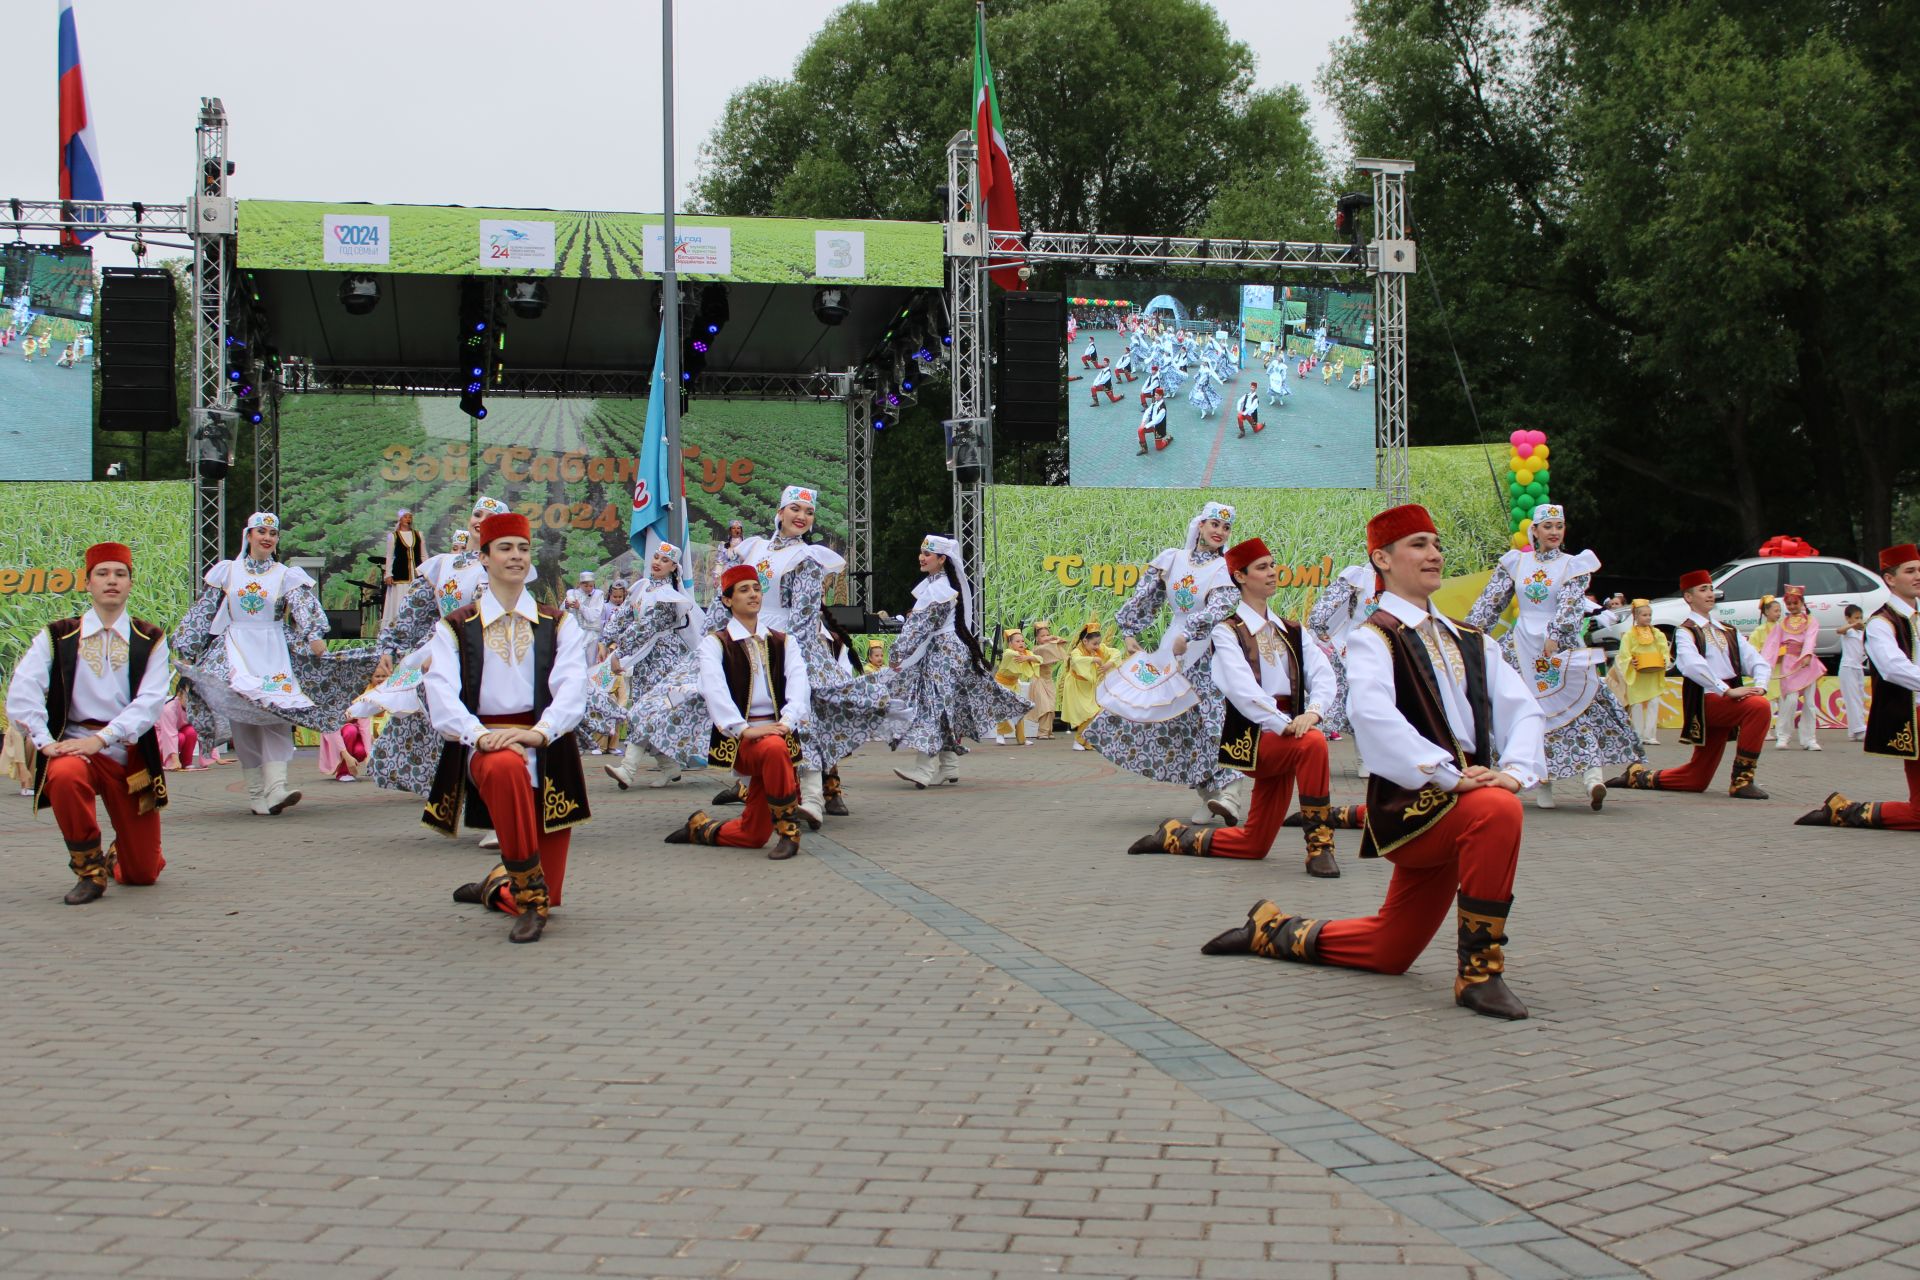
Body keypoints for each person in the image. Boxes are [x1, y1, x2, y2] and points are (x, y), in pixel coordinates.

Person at [1199, 503, 1545, 1021]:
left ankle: (1272, 929)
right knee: (1498, 812)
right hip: (1416, 801)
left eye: (1436, 543)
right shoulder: (1373, 637)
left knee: (1389, 950)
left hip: (1462, 793)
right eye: (1419, 544)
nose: (1435, 553)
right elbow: (1374, 718)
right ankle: (1479, 973)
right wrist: (1454, 776)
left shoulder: (1472, 639)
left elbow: (1524, 709)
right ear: (1381, 559)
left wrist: (1513, 770)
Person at [1125, 536, 1341, 874]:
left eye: (1273, 565)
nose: (1273, 572)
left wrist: (1313, 712)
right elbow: (1240, 689)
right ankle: (1320, 846)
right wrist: (1283, 722)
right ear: (1240, 576)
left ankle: (1174, 837)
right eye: (1263, 567)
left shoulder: (1292, 630)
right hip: (1252, 737)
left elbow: (1324, 675)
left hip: (1289, 733)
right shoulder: (1227, 631)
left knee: (1253, 845)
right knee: (1312, 744)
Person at [425, 512, 590, 943]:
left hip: (548, 748)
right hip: (488, 743)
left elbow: (573, 687)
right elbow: (441, 695)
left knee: (553, 894)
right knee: (503, 767)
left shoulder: (559, 623)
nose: (516, 556)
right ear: (484, 557)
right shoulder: (456, 627)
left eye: (522, 548)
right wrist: (480, 736)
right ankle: (527, 899)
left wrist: (539, 732)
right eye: (505, 548)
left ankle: (499, 885)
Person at [171, 512, 376, 816]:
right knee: (245, 720)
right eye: (261, 531)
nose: (267, 537)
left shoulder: (284, 574)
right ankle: (257, 793)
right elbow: (203, 611)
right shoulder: (227, 572)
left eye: (272, 533)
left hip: (274, 648)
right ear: (249, 535)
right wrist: (187, 647)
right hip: (237, 647)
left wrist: (314, 635)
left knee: (279, 714)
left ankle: (277, 787)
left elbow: (304, 605)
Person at [6, 542, 172, 905]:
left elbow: (150, 703)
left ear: (130, 583)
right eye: (102, 573)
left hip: (128, 755)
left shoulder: (151, 639)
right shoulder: (58, 635)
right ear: (87, 582)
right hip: (74, 745)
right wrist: (45, 741)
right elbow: (23, 690)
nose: (111, 581)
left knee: (143, 874)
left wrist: (102, 740)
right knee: (63, 774)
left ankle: (120, 856)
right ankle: (89, 870)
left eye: (120, 574)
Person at [360, 495, 538, 799]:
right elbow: (412, 614)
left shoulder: (508, 568)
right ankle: (472, 802)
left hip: (493, 657)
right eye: (477, 514)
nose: (481, 520)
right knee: (450, 730)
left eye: (492, 518)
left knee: (491, 730)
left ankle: (499, 810)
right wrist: (390, 650)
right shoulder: (443, 565)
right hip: (445, 652)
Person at [1466, 504, 1642, 810]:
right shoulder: (1515, 563)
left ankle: (1593, 778)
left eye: (1559, 526)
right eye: (1547, 526)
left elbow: (1570, 604)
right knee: (1532, 714)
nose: (1554, 532)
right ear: (1534, 530)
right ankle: (1542, 785)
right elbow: (1489, 603)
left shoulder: (1574, 565)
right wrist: (1469, 634)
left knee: (1582, 708)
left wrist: (1556, 635)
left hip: (1559, 647)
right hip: (1521, 646)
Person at [1084, 502, 1249, 827]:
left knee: (1217, 720)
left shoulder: (1224, 569)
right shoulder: (1171, 559)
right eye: (1214, 524)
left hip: (1213, 649)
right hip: (1173, 650)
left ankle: (1230, 793)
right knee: (1183, 724)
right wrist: (1130, 630)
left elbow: (1221, 606)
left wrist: (1191, 631)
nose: (1219, 531)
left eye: (1226, 528)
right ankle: (1207, 793)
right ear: (1200, 525)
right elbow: (1146, 596)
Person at [661, 563, 809, 859]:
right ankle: (789, 832)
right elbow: (714, 691)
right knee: (774, 750)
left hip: (780, 733)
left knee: (752, 835)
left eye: (756, 588)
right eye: (744, 590)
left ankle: (700, 828)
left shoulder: (784, 641)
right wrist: (744, 729)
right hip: (741, 737)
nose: (753, 595)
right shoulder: (715, 644)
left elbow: (799, 683)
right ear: (727, 600)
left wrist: (788, 721)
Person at [1608, 570, 1772, 799]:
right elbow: (1692, 666)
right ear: (1688, 597)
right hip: (1707, 700)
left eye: (1711, 589)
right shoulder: (1686, 631)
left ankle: (1638, 777)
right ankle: (1742, 780)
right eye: (1703, 590)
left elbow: (1758, 661)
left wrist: (1761, 685)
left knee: (1697, 779)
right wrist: (1726, 689)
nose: (1710, 594)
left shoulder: (1729, 631)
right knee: (1759, 707)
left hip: (1728, 697)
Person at [885, 535, 1028, 787]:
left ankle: (924, 769)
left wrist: (897, 653)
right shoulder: (942, 585)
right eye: (921, 552)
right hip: (946, 651)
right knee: (942, 707)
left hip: (943, 652)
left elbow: (918, 626)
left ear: (942, 559)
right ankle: (949, 766)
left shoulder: (940, 589)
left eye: (928, 554)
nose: (922, 557)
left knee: (933, 708)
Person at [1798, 546, 1920, 830]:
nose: (1918, 577)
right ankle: (1845, 811)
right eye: (1910, 571)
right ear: (1889, 579)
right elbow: (1892, 668)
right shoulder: (1880, 623)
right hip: (1911, 717)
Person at [600, 545, 707, 789]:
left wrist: (620, 652)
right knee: (645, 710)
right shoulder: (641, 588)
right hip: (645, 659)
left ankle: (628, 769)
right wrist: (605, 639)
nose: (658, 562)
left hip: (665, 659)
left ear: (674, 567)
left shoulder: (670, 598)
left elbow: (645, 627)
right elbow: (624, 615)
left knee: (645, 710)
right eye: (657, 557)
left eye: (665, 560)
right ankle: (670, 767)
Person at [1763, 584, 1825, 750]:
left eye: (1795, 603)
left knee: (1810, 702)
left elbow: (1810, 640)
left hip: (1806, 664)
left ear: (1802, 603)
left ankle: (1809, 739)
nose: (1792, 606)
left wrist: (1806, 655)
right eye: (1789, 603)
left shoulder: (1811, 621)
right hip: (1790, 664)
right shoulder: (1782, 623)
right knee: (1789, 701)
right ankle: (1783, 736)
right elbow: (1772, 644)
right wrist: (1765, 665)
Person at [1610, 600, 1671, 746]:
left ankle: (1650, 735)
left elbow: (1665, 651)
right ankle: (1637, 734)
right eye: (1644, 615)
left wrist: (1664, 660)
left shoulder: (1657, 634)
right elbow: (1624, 654)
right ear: (1636, 616)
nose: (1648, 618)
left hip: (1653, 674)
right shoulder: (1629, 635)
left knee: (1654, 702)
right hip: (1637, 675)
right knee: (1636, 704)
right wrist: (1631, 661)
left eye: (1649, 615)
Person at [1060, 623, 1119, 750]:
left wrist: (1109, 663)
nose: (1097, 646)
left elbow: (1116, 653)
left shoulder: (1098, 649)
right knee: (1091, 713)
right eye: (1095, 644)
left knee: (1092, 713)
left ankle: (1085, 741)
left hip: (1088, 687)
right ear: (1085, 641)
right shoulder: (1077, 652)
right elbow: (1075, 661)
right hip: (1076, 686)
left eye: (1098, 643)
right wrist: (1092, 660)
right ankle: (1078, 740)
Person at [994, 629, 1043, 745]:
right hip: (1001, 685)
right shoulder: (1008, 653)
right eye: (1017, 641)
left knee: (1020, 711)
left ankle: (1022, 739)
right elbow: (1012, 654)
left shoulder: (1026, 654)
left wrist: (1028, 657)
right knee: (1002, 710)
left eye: (1022, 641)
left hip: (1014, 685)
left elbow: (1040, 659)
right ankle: (1000, 735)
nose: (1021, 643)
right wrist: (1026, 656)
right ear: (1010, 644)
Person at [381, 509, 422, 630]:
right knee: (400, 602)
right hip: (400, 575)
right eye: (405, 517)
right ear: (400, 519)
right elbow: (390, 556)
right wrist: (388, 574)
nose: (408, 519)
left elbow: (423, 555)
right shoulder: (393, 536)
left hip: (415, 576)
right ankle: (397, 628)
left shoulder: (418, 535)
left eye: (410, 517)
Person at [1026, 621, 1066, 739]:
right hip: (1038, 680)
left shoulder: (1049, 647)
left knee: (1051, 708)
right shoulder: (1038, 649)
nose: (1045, 638)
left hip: (1048, 681)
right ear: (1037, 638)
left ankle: (1048, 731)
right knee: (1045, 706)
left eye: (1047, 635)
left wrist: (1053, 638)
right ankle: (1042, 732)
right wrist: (1052, 640)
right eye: (1042, 636)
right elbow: (1048, 648)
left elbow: (1063, 642)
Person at [1836, 604, 1869, 742]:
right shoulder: (1848, 631)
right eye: (1856, 618)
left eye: (1860, 617)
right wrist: (1852, 625)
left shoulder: (1862, 633)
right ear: (1848, 618)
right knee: (1852, 699)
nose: (1859, 620)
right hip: (1847, 667)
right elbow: (1839, 630)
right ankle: (1859, 729)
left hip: (1858, 668)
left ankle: (1853, 731)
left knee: (1859, 698)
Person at [565, 571, 609, 647]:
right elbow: (563, 612)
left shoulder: (598, 595)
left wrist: (580, 607)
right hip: (575, 631)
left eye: (591, 586)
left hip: (591, 632)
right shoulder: (572, 594)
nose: (589, 588)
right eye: (586, 586)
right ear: (580, 584)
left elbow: (594, 615)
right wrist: (566, 606)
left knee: (590, 657)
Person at [1137, 390, 1171, 456]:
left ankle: (1168, 439)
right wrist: (1143, 422)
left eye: (1156, 395)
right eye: (1155, 395)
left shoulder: (1162, 408)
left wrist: (1146, 426)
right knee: (1140, 430)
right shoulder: (1154, 403)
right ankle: (1144, 449)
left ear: (1160, 396)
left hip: (1158, 428)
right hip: (1152, 425)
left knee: (1159, 447)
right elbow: (1147, 411)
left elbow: (1156, 420)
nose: (1154, 396)